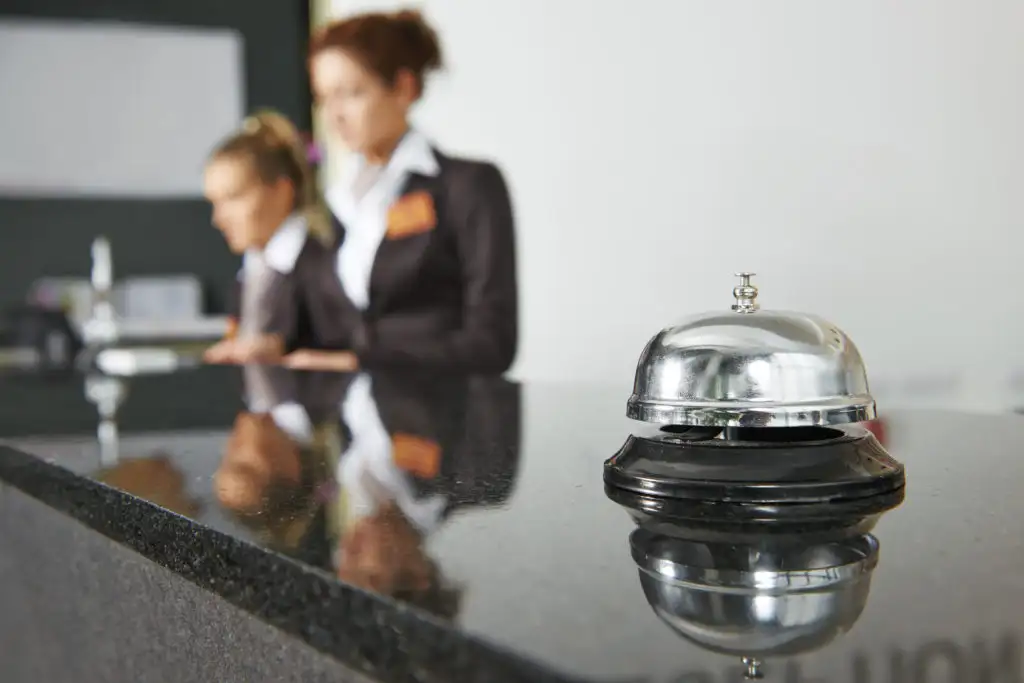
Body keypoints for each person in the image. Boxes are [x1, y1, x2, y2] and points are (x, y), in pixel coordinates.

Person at [277, 8, 518, 374]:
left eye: (351, 93)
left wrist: (361, 362)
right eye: (323, 98)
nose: (333, 115)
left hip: (444, 422)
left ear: (403, 88)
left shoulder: (468, 187)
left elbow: (492, 345)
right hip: (357, 423)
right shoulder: (339, 204)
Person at [201, 110, 331, 364]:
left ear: (282, 191)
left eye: (234, 198)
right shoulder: (251, 272)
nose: (219, 219)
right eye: (215, 203)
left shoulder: (326, 269)